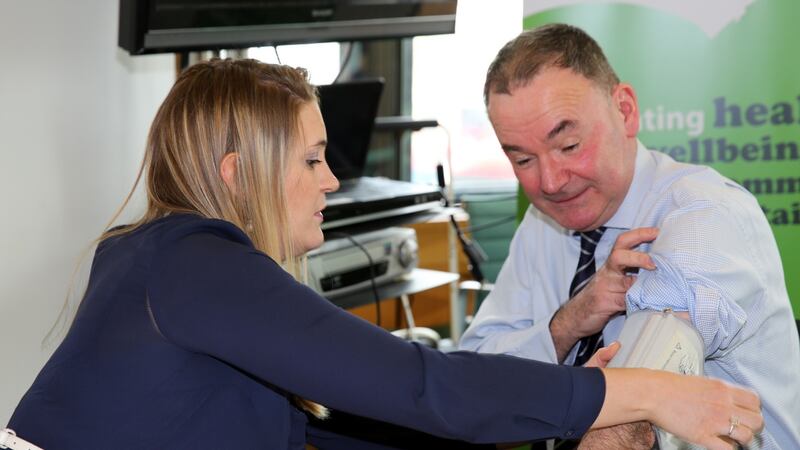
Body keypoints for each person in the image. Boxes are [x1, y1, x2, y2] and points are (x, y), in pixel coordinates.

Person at [7, 58, 762, 450]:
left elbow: (357, 427)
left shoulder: (157, 260)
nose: (331, 181)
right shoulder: (194, 263)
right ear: (240, 175)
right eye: (311, 160)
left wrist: (559, 408)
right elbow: (419, 385)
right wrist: (637, 393)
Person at [459, 23, 800, 449]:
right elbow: (473, 385)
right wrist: (569, 322)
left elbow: (634, 419)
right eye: (524, 160)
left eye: (569, 146)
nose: (550, 181)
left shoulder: (701, 211)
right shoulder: (543, 224)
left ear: (625, 111)